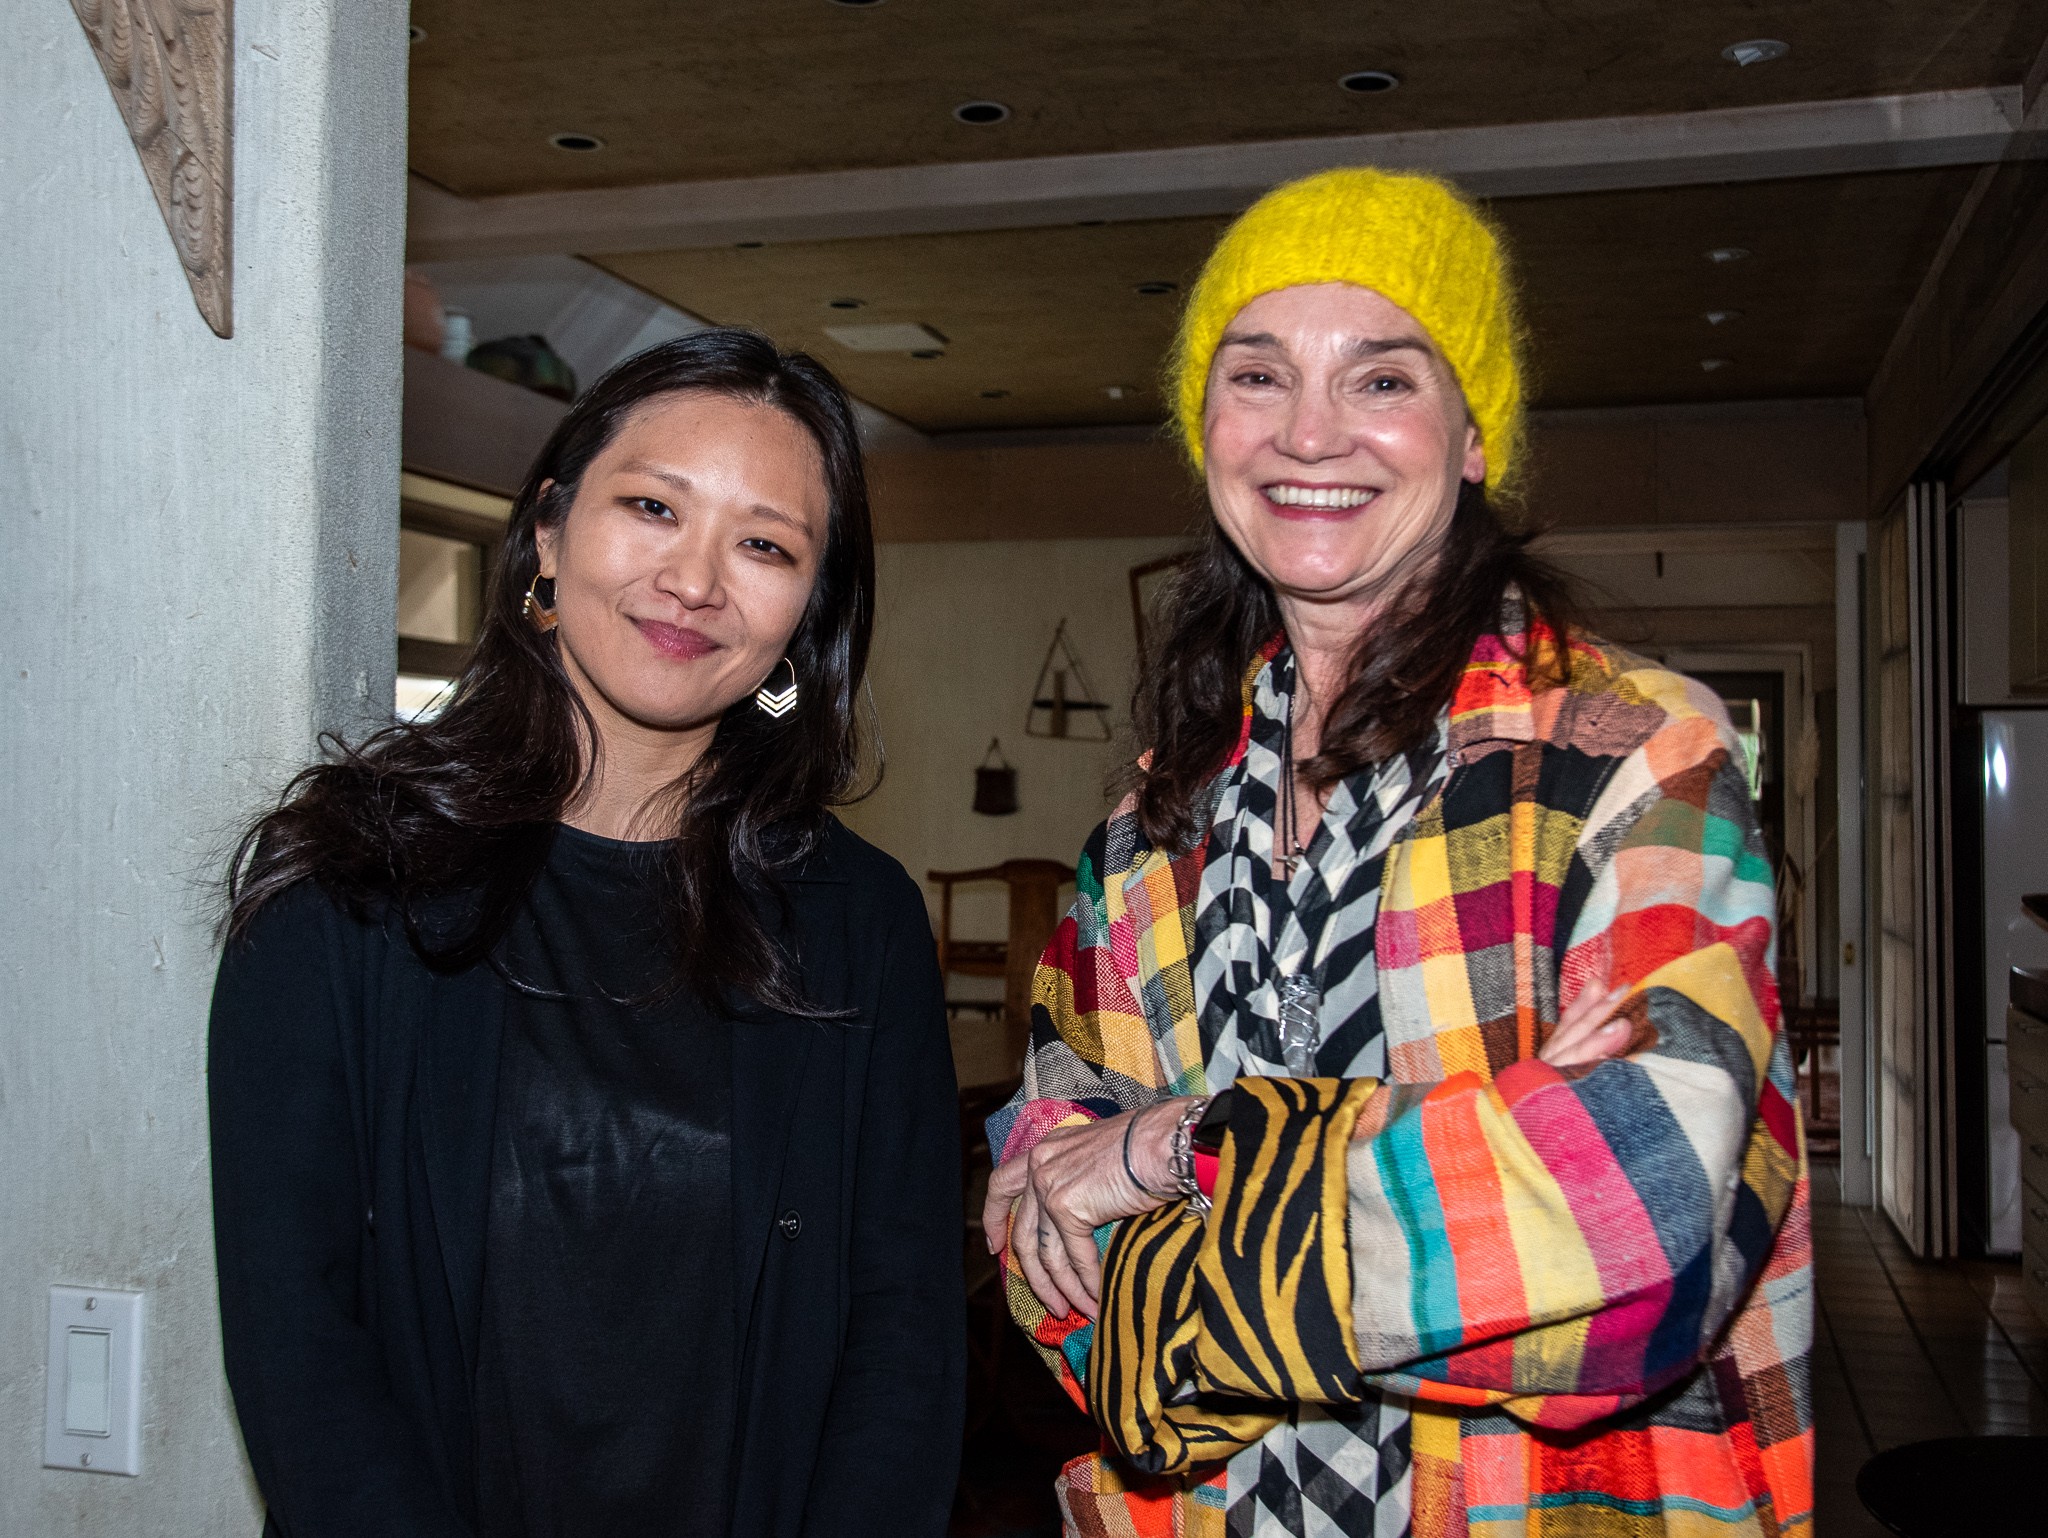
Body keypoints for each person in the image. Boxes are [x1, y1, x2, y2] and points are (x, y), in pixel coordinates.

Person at [984, 169, 1810, 1538]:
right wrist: (1452, 1207)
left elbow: (1641, 1233)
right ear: (1206, 426)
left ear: (1473, 431)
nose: (1312, 433)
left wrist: (1178, 1149)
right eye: (1257, 375)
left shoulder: (1634, 757)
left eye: (1381, 380)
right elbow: (1037, 1242)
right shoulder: (1141, 839)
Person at [210, 329, 963, 1538]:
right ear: (551, 533)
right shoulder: (346, 885)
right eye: (654, 507)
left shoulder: (856, 920)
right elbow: (298, 1334)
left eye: (763, 543)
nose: (696, 579)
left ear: (805, 614)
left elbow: (903, 1334)